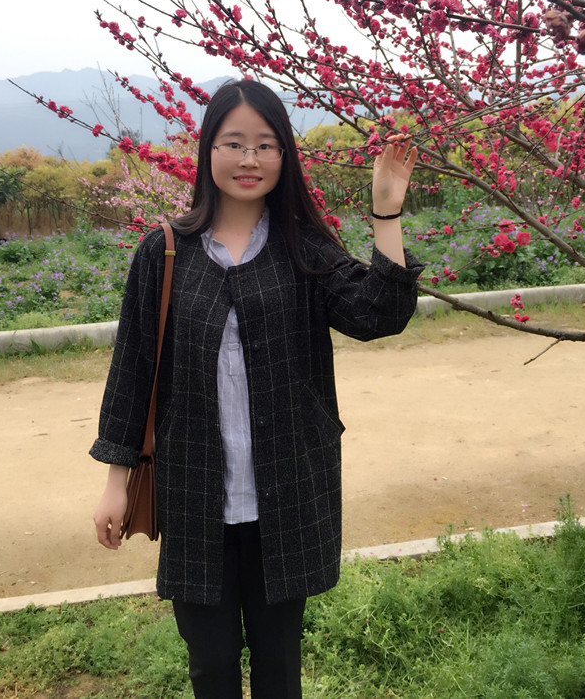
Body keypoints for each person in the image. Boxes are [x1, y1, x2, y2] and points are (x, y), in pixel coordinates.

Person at [91, 78, 423, 699]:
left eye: (266, 145)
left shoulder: (303, 248)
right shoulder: (165, 251)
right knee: (211, 667)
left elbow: (378, 314)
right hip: (195, 498)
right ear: (208, 150)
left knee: (279, 668)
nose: (250, 159)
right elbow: (132, 368)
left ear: (284, 155)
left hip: (286, 494)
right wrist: (117, 480)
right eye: (234, 143)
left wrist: (386, 212)